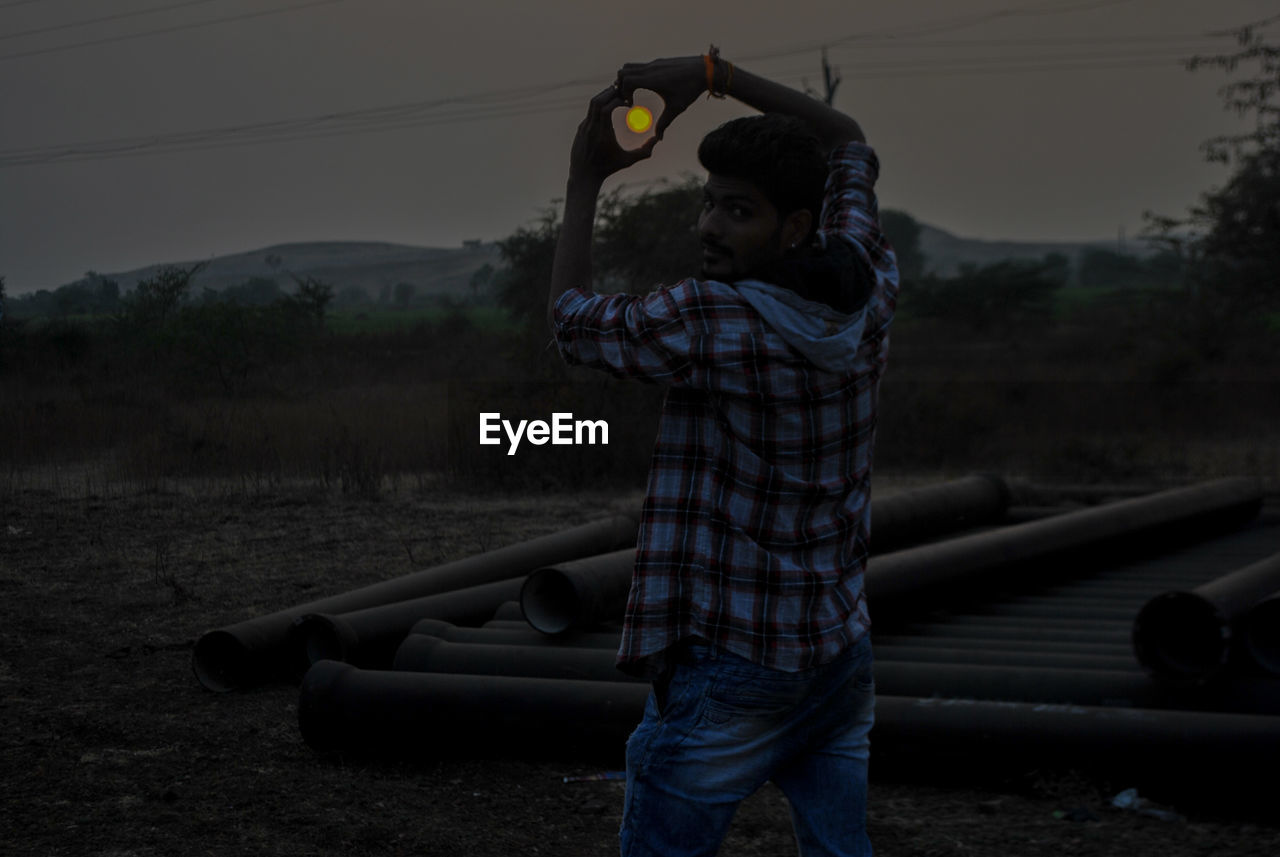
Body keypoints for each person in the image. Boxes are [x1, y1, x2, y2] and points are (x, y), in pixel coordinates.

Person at [545, 49, 898, 857]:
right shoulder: (868, 279)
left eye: (737, 211)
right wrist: (710, 73)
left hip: (735, 665)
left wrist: (584, 178)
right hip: (836, 647)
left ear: (795, 227)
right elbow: (844, 133)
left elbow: (571, 324)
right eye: (709, 204)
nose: (707, 226)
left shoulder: (714, 319)